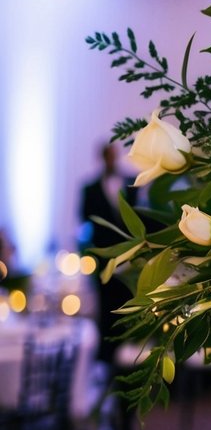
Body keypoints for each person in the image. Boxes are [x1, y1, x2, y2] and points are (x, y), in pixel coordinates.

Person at [79, 142, 136, 365]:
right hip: (103, 262)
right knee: (105, 312)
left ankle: (129, 359)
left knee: (129, 309)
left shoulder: (132, 183)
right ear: (101, 158)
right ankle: (107, 360)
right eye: (107, 156)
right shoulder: (89, 189)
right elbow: (84, 221)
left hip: (131, 259)